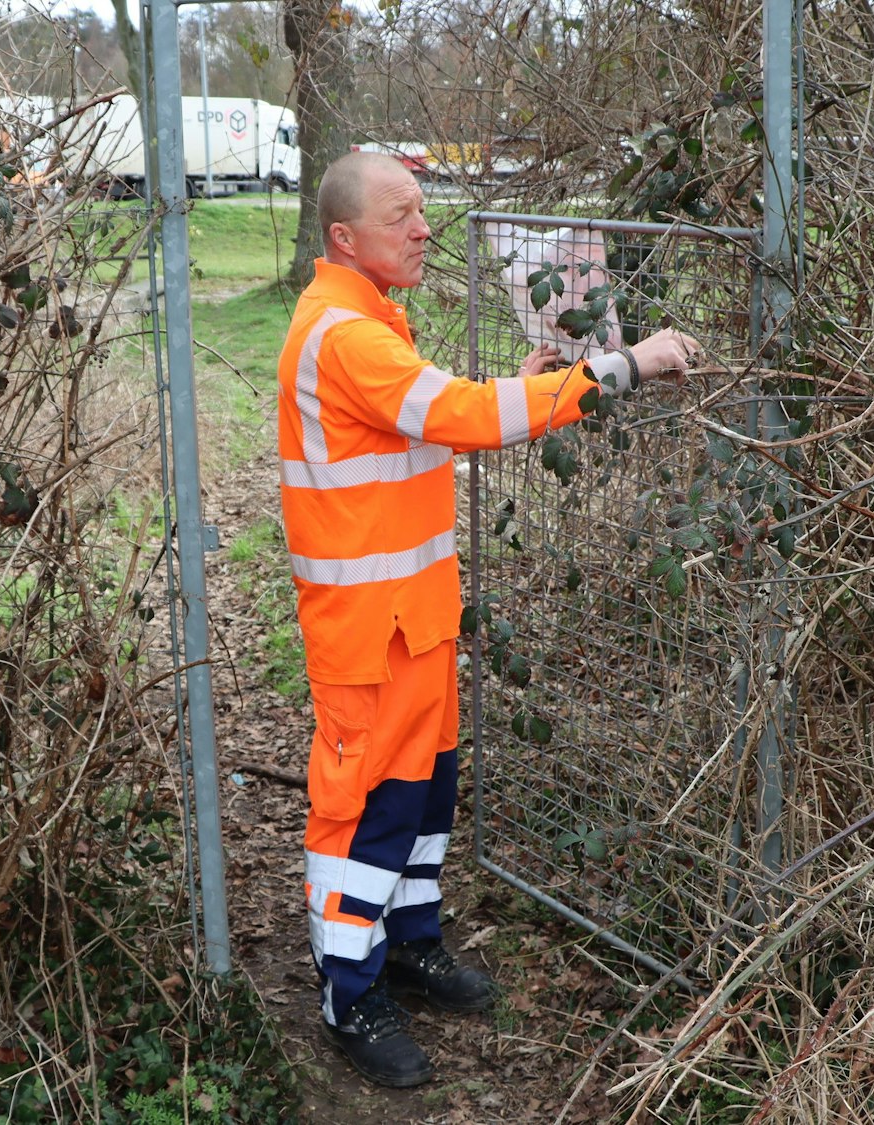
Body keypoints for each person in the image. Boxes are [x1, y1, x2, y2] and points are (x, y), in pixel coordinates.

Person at [276, 152, 695, 1087]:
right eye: (402, 216)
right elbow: (458, 414)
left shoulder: (375, 316)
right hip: (366, 637)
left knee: (424, 796)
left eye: (423, 210)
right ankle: (350, 991)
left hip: (411, 621)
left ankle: (411, 944)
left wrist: (517, 389)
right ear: (346, 238)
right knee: (364, 815)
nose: (423, 228)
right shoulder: (346, 334)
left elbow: (421, 430)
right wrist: (617, 366)